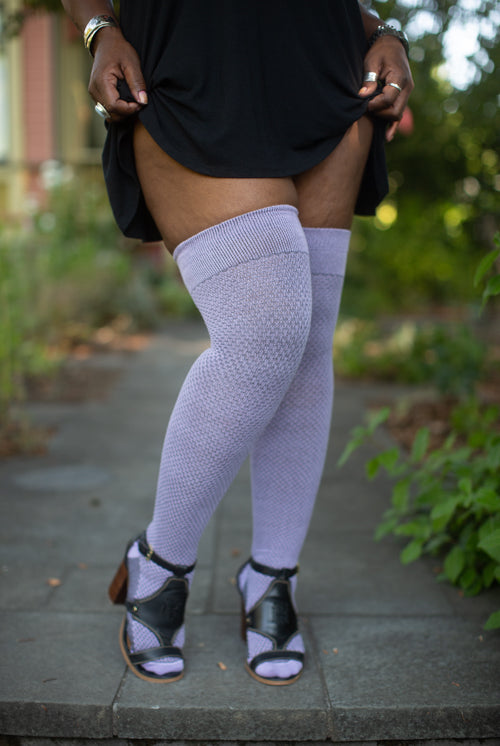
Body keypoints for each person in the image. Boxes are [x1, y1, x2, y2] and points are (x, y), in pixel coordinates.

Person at [61, 0, 413, 686]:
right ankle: (160, 562)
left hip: (325, 69)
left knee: (307, 348)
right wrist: (99, 29)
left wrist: (387, 31)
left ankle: (272, 574)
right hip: (194, 65)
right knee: (263, 333)